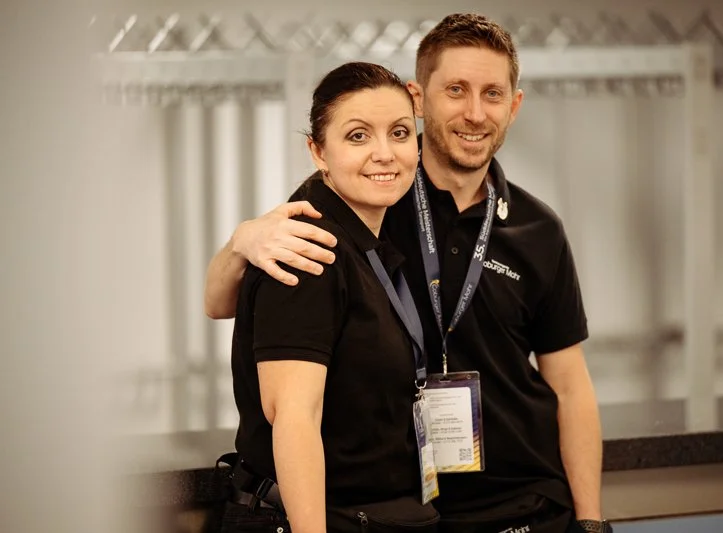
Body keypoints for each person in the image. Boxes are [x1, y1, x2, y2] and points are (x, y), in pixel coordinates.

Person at [206, 14, 612, 533]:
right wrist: (241, 240)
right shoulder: (360, 204)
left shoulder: (539, 228)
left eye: (492, 94)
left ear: (513, 105)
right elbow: (229, 305)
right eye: (456, 90)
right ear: (421, 99)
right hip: (409, 504)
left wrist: (591, 521)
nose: (474, 112)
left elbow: (571, 386)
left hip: (519, 498)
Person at [217, 61, 441, 533]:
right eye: (358, 136)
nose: (385, 153)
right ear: (318, 152)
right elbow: (293, 417)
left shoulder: (366, 235)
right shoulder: (308, 250)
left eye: (400, 133)